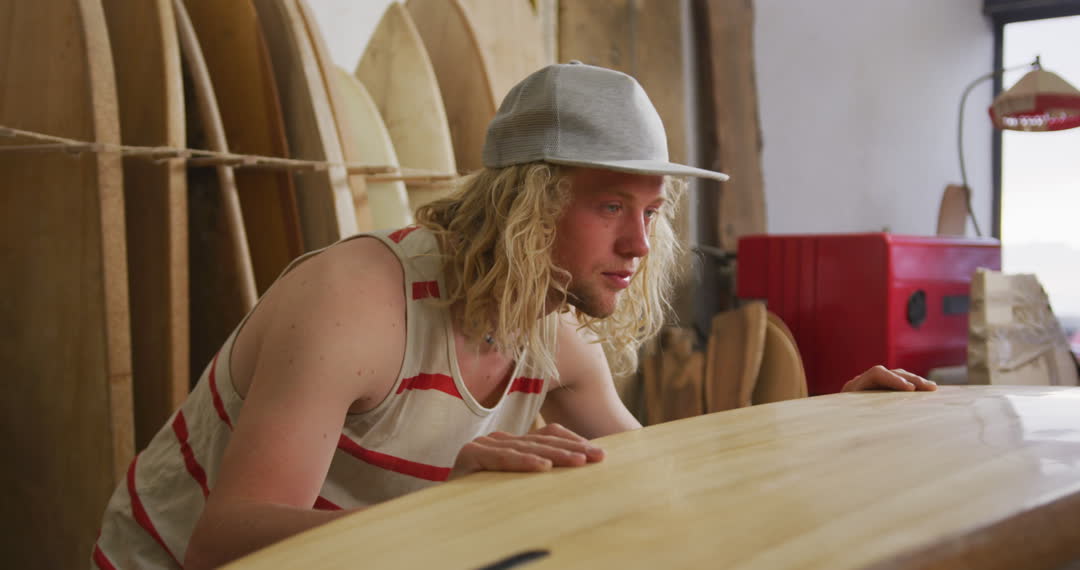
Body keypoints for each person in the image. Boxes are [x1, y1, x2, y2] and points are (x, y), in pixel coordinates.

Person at [91, 61, 935, 569]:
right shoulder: (356, 302)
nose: (640, 244)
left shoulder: (553, 342)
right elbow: (222, 543)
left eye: (652, 210)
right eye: (611, 205)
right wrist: (446, 511)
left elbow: (663, 483)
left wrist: (821, 429)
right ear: (528, 203)